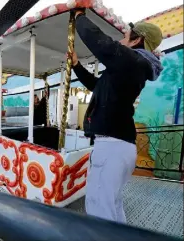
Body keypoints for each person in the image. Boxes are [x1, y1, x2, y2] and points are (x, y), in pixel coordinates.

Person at [71, 10, 163, 223]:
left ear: (137, 39)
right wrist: (76, 65)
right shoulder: (132, 67)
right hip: (118, 145)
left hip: (113, 145)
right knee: (110, 205)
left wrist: (79, 16)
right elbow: (97, 86)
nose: (121, 40)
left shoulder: (133, 62)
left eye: (126, 35)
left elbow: (101, 43)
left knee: (99, 208)